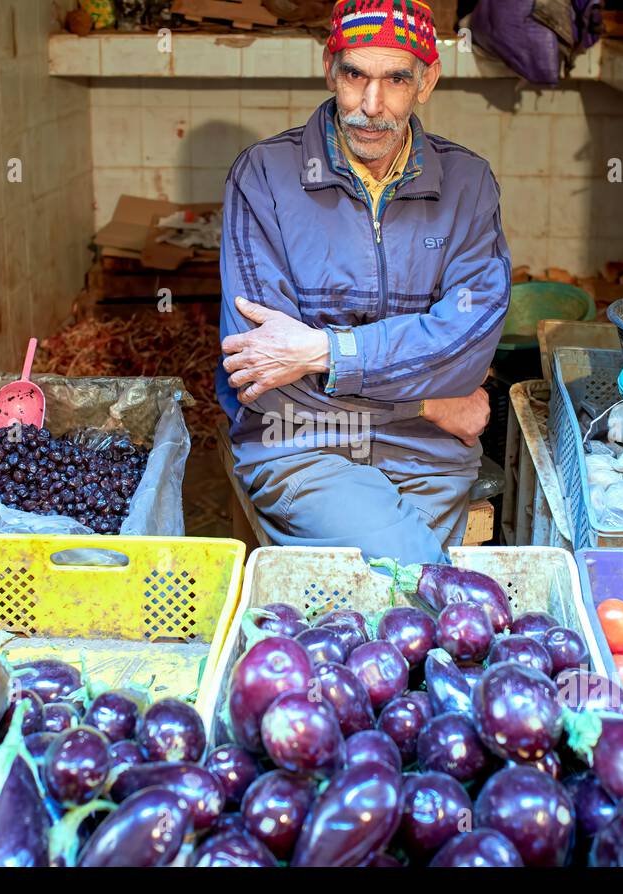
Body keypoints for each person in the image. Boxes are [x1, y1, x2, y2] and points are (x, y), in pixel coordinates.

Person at [217, 0, 511, 564]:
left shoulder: (468, 183)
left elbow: (467, 355)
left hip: (428, 458)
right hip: (298, 447)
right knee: (422, 581)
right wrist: (429, 404)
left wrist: (323, 350)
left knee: (395, 616)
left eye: (396, 79)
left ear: (427, 81)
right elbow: (263, 374)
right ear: (331, 69)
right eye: (355, 75)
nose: (370, 106)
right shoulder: (263, 177)